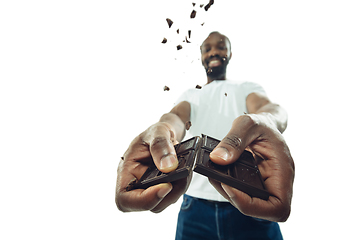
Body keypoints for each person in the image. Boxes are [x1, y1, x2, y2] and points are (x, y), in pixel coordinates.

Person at [115, 31, 295, 240]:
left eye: (221, 46)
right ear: (201, 56)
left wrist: (267, 121)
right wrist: (163, 127)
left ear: (229, 52)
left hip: (252, 202)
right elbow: (176, 118)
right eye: (207, 48)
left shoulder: (246, 88)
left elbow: (271, 109)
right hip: (195, 207)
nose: (214, 52)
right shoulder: (191, 94)